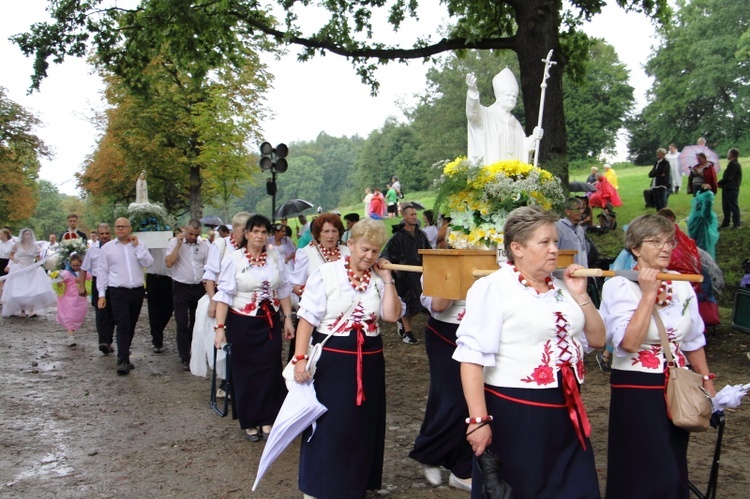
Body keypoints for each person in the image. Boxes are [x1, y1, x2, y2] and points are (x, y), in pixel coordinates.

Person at [454, 205, 605, 498]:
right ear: (517, 248)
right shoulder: (493, 288)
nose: (554, 250)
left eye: (555, 242)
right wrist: (478, 421)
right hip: (517, 412)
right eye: (544, 242)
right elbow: (471, 359)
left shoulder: (562, 286)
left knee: (576, 489)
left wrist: (582, 295)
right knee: (524, 488)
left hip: (568, 409)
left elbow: (598, 339)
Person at [599, 214, 715, 499]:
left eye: (669, 242)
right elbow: (627, 343)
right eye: (655, 241)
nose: (665, 248)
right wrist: (648, 294)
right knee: (646, 464)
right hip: (636, 386)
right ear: (636, 248)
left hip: (677, 383)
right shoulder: (620, 285)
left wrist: (706, 379)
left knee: (673, 462)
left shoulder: (682, 284)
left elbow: (692, 339)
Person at [292, 218, 402, 499]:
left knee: (363, 425)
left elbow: (391, 316)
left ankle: (354, 484)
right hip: (334, 361)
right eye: (365, 249)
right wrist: (300, 358)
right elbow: (306, 318)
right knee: (330, 424)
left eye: (375, 251)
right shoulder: (327, 274)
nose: (369, 256)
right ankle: (319, 487)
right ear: (350, 244)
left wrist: (388, 278)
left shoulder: (378, 281)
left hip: (371, 361)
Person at [213, 214, 295, 441]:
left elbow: (284, 289)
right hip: (242, 322)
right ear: (246, 234)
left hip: (268, 321)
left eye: (263, 232)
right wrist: (219, 328)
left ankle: (268, 418)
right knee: (245, 372)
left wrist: (287, 318)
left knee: (270, 369)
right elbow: (224, 295)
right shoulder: (234, 259)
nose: (259, 236)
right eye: (255, 231)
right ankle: (250, 421)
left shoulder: (275, 256)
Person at [409, 292, 473, 491]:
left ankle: (464, 469)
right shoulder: (437, 263)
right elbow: (439, 305)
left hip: (484, 327)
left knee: (479, 401)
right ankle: (431, 453)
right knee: (453, 399)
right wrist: (454, 273)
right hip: (446, 331)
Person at [97, 217, 154, 375]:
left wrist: (138, 247)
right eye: (118, 227)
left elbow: (148, 262)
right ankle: (122, 360)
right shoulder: (108, 248)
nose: (120, 229)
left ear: (130, 228)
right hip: (118, 290)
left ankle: (124, 354)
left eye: (124, 226)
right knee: (123, 324)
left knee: (131, 324)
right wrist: (101, 294)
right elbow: (102, 272)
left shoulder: (139, 244)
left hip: (136, 290)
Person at [466, 68, 543, 165]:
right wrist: (473, 92)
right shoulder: (486, 115)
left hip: (511, 177)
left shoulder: (515, 124)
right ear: (499, 97)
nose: (511, 99)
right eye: (508, 95)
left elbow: (523, 146)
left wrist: (534, 138)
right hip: (489, 175)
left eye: (514, 97)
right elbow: (473, 114)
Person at [382, 205, 432, 345]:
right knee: (407, 303)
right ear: (404, 217)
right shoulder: (398, 237)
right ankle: (407, 332)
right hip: (403, 277)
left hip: (419, 274)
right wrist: (392, 266)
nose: (414, 216)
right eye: (411, 214)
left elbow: (429, 251)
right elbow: (386, 254)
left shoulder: (421, 234)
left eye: (415, 214)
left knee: (422, 304)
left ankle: (401, 321)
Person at [166, 219, 210, 371]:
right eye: (190, 233)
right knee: (182, 321)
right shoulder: (174, 242)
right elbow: (169, 263)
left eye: (196, 234)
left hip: (198, 286)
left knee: (197, 321)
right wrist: (178, 245)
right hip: (180, 286)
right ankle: (185, 355)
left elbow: (208, 266)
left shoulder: (204, 245)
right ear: (185, 230)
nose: (193, 237)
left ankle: (195, 351)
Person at [1, 228, 57, 318]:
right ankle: (22, 309)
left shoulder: (34, 246)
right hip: (19, 268)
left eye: (30, 234)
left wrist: (40, 262)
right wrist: (15, 260)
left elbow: (38, 256)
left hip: (31, 268)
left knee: (32, 289)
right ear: (23, 235)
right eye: (26, 234)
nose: (28, 236)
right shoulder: (17, 245)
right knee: (20, 289)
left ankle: (31, 310)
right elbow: (11, 254)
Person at [79, 223, 115, 354]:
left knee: (112, 313)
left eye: (107, 234)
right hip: (97, 282)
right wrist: (81, 286)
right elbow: (83, 269)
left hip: (113, 282)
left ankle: (108, 340)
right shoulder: (92, 249)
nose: (104, 236)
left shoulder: (115, 247)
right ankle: (103, 341)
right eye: (102, 234)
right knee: (101, 313)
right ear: (98, 235)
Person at [55, 253, 90, 348]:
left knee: (77, 316)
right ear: (70, 265)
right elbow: (59, 280)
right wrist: (59, 283)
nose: (75, 267)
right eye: (73, 266)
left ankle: (71, 332)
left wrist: (83, 280)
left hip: (80, 299)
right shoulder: (66, 273)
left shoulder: (85, 273)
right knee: (69, 317)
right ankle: (70, 336)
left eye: (78, 265)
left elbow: (90, 280)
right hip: (68, 299)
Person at [555, 197, 589, 268]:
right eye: (578, 209)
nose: (581, 212)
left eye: (582, 208)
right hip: (563, 274)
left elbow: (583, 251)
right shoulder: (558, 228)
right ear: (567, 211)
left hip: (582, 273)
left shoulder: (580, 229)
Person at [718, 147, 742, 229]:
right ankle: (726, 222)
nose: (727, 155)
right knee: (726, 206)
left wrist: (719, 183)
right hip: (727, 188)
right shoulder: (732, 164)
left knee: (733, 206)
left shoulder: (734, 165)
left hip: (732, 188)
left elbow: (729, 177)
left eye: (728, 153)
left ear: (731, 154)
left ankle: (737, 223)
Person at [0, 228, 14, 295]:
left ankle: (4, 295)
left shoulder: (11, 244)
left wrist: (9, 266)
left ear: (5, 234)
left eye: (0, 234)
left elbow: (12, 256)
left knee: (5, 280)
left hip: (7, 262)